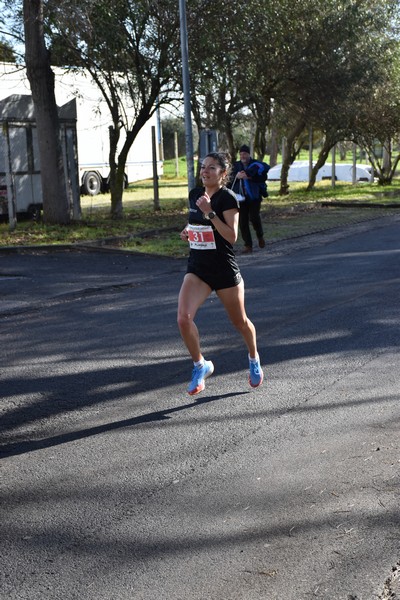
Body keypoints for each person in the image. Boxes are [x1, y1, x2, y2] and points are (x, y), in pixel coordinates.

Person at [177, 151, 264, 396]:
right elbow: (194, 222)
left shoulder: (227, 198)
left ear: (223, 173)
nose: (205, 171)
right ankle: (200, 365)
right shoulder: (195, 194)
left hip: (224, 269)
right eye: (203, 166)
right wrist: (187, 231)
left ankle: (253, 357)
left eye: (212, 167)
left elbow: (231, 236)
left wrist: (210, 212)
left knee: (240, 322)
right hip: (198, 268)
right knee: (184, 318)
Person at [231, 144, 270, 254]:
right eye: (241, 154)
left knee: (254, 217)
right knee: (242, 221)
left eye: (245, 154)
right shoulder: (236, 166)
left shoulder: (256, 164)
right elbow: (229, 179)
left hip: (254, 196)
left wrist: (249, 177)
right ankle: (248, 245)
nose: (243, 156)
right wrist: (237, 177)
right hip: (240, 198)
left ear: (249, 154)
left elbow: (263, 177)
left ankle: (260, 236)